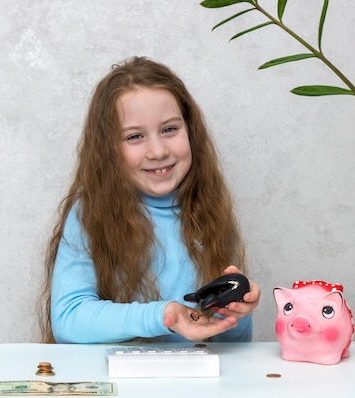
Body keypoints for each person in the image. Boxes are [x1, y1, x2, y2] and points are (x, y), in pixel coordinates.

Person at [38, 57, 260, 344]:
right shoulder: (89, 212)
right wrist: (164, 315)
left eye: (169, 129)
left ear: (190, 130)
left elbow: (232, 343)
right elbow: (69, 319)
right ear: (108, 150)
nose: (157, 151)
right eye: (135, 136)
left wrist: (236, 312)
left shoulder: (209, 209)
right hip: (118, 382)